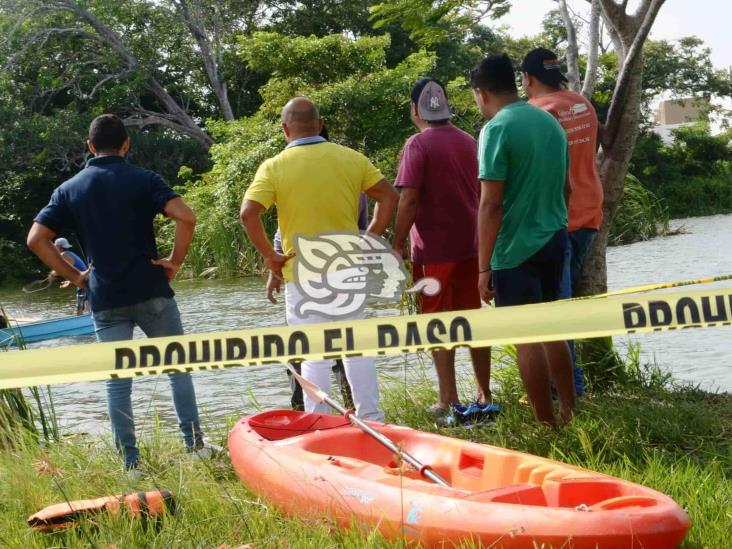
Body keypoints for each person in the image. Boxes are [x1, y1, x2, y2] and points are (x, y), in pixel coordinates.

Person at [27, 114, 208, 475]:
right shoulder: (144, 179)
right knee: (178, 369)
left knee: (117, 384)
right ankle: (195, 447)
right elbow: (185, 217)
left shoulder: (69, 189)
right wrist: (173, 261)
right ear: (126, 145)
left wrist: (78, 277)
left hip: (106, 298)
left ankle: (131, 464)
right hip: (152, 289)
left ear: (90, 147)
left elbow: (36, 240)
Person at [240, 97, 398, 421]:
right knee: (356, 349)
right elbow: (389, 196)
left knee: (314, 354)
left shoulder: (274, 167)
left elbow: (248, 214)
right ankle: (372, 419)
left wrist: (270, 257)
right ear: (320, 123)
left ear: (285, 129)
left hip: (303, 272)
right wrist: (370, 237)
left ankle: (320, 422)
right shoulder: (351, 159)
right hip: (349, 268)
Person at [471, 54, 576, 427]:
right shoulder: (549, 122)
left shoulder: (496, 129)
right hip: (555, 238)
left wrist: (484, 266)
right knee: (554, 331)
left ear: (481, 92)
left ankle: (546, 425)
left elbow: (490, 203)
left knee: (526, 337)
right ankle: (568, 411)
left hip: (515, 250)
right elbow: (566, 188)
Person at [392, 77, 493, 425]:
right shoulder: (469, 141)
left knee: (438, 323)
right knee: (473, 321)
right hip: (472, 247)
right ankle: (484, 394)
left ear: (413, 111)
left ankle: (447, 397)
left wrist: (396, 242)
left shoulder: (417, 145)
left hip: (434, 252)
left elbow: (409, 197)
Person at [521, 47, 604, 396]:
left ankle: (570, 390)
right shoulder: (582, 103)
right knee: (561, 303)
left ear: (527, 79)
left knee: (554, 310)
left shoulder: (536, 112)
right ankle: (566, 387)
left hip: (557, 217)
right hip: (589, 212)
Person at [272, 123, 358, 411]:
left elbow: (278, 229)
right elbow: (360, 222)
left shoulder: (284, 167)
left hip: (302, 272)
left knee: (307, 350)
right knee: (348, 347)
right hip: (343, 268)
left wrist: (274, 265)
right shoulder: (348, 166)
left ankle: (310, 412)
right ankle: (353, 408)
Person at [47, 237, 89, 315]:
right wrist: (70, 281)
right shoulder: (70, 254)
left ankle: (78, 323)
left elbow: (59, 269)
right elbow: (76, 270)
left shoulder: (64, 255)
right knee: (87, 306)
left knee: (79, 309)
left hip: (83, 282)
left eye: (55, 246)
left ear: (59, 247)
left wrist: (51, 274)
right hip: (86, 281)